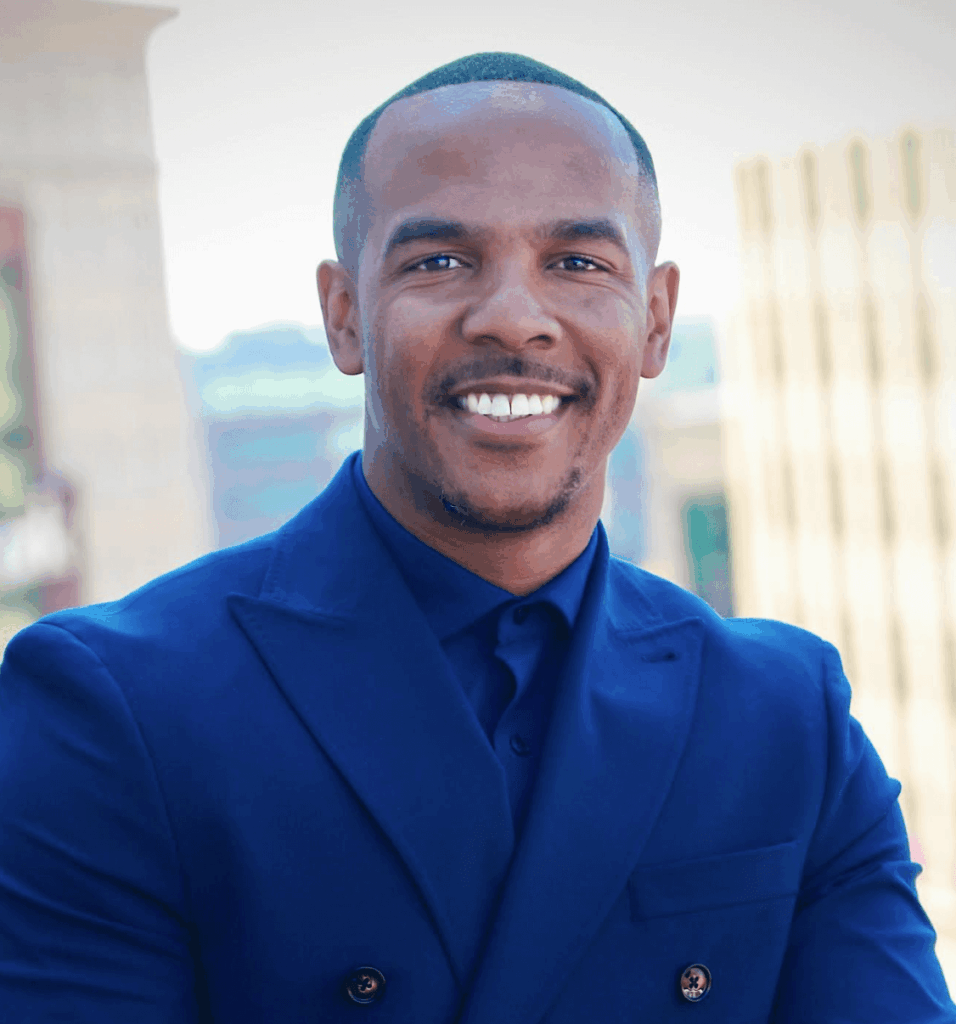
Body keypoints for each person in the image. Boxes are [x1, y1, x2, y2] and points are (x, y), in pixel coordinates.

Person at [0, 51, 953, 1024]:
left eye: (576, 262)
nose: (511, 316)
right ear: (343, 315)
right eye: (439, 261)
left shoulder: (789, 719)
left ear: (655, 320)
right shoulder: (111, 708)